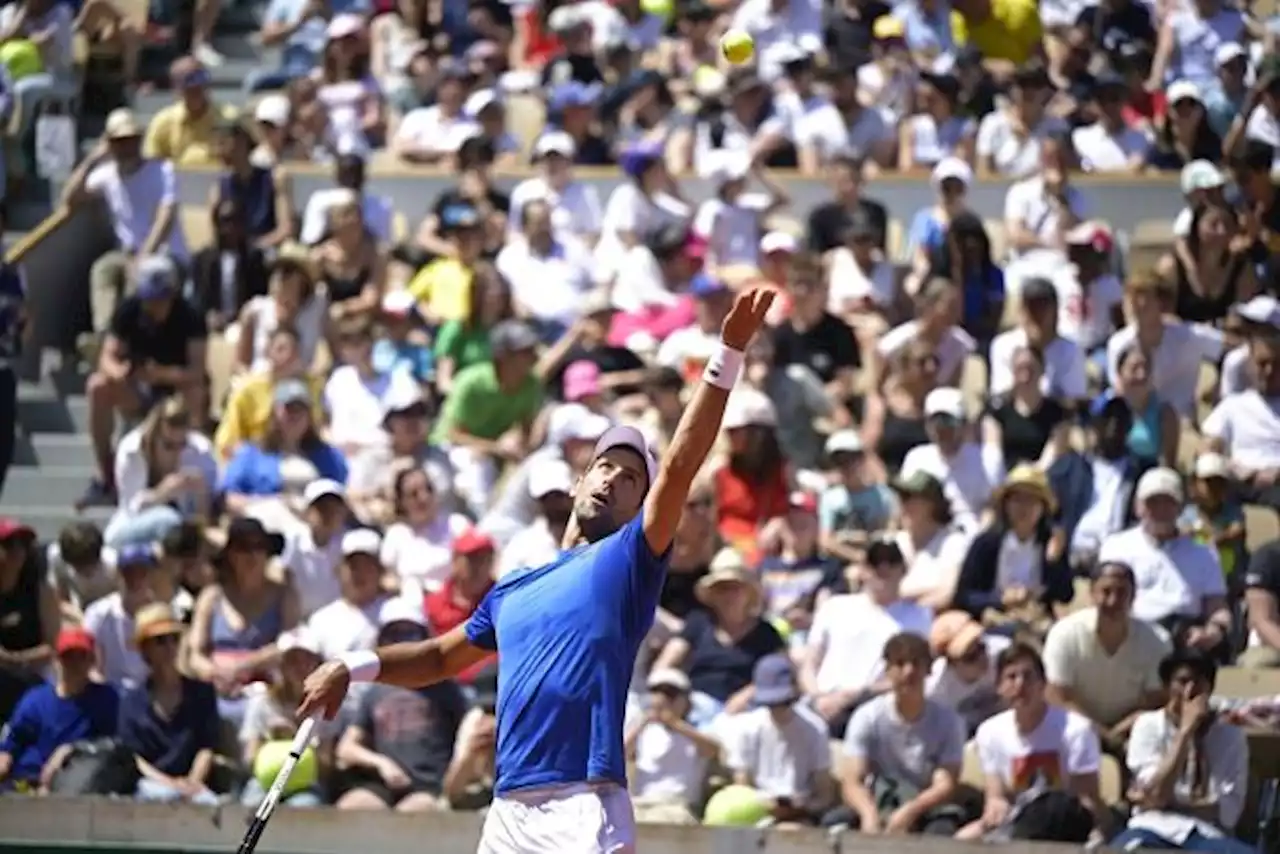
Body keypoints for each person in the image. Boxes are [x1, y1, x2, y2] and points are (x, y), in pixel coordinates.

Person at [299, 286, 776, 854]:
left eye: (631, 480)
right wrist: (350, 667)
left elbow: (678, 465)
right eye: (605, 467)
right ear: (579, 481)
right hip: (507, 811)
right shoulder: (514, 587)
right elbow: (437, 658)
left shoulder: (628, 560)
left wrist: (727, 356)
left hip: (583, 805)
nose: (613, 481)